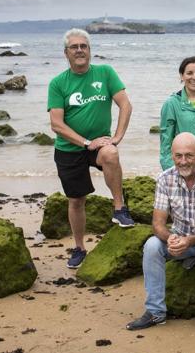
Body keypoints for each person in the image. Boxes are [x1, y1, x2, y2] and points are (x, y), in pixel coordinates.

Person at [126, 132, 195, 332]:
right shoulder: (165, 179)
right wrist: (171, 239)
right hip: (180, 235)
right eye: (178, 156)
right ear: (172, 155)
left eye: (189, 155)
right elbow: (157, 224)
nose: (183, 161)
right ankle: (155, 312)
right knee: (151, 246)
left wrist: (188, 242)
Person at [47, 28, 134, 269]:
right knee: (76, 200)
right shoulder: (58, 83)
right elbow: (56, 124)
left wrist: (116, 137)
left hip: (100, 144)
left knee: (111, 153)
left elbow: (125, 105)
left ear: (90, 50)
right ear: (66, 53)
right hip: (69, 148)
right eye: (74, 47)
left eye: (83, 46)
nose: (79, 50)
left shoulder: (105, 73)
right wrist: (86, 142)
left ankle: (119, 208)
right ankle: (79, 248)